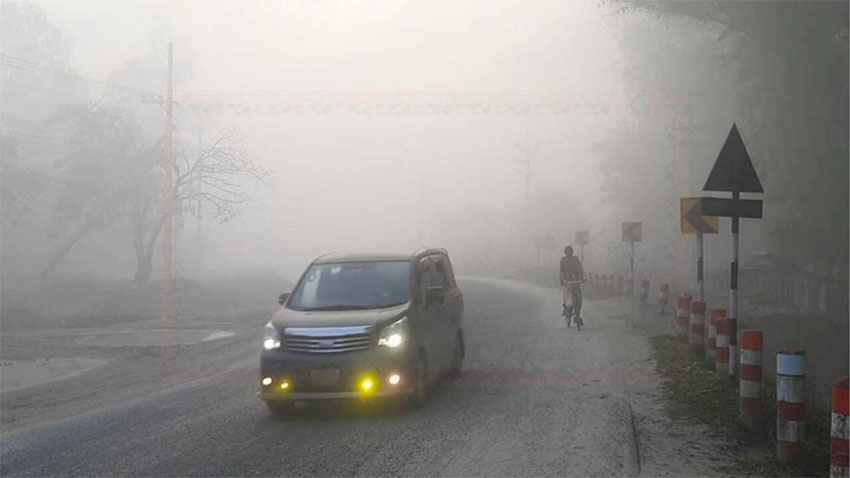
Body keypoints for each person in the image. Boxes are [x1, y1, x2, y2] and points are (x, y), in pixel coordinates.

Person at [559, 245, 584, 328]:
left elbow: (580, 269)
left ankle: (578, 314)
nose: (569, 254)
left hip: (576, 282)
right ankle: (565, 307)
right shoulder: (563, 261)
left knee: (579, 299)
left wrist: (581, 278)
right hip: (568, 282)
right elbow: (561, 272)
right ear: (565, 253)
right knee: (566, 295)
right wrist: (563, 280)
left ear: (572, 252)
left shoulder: (576, 260)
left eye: (570, 252)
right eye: (567, 252)